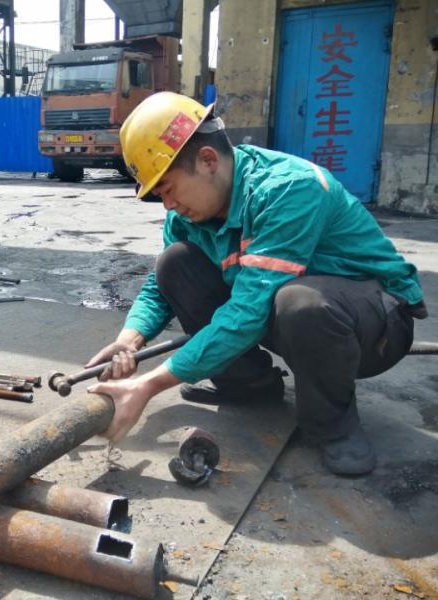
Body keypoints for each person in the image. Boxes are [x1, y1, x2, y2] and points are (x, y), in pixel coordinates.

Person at [87, 92, 427, 476]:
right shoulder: (187, 214)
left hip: (375, 325)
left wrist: (147, 385)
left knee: (300, 303)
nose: (167, 204)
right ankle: (249, 385)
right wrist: (129, 340)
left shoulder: (289, 188)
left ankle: (333, 426)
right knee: (174, 263)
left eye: (167, 188)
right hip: (283, 313)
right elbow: (159, 288)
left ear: (208, 160)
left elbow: (249, 312)